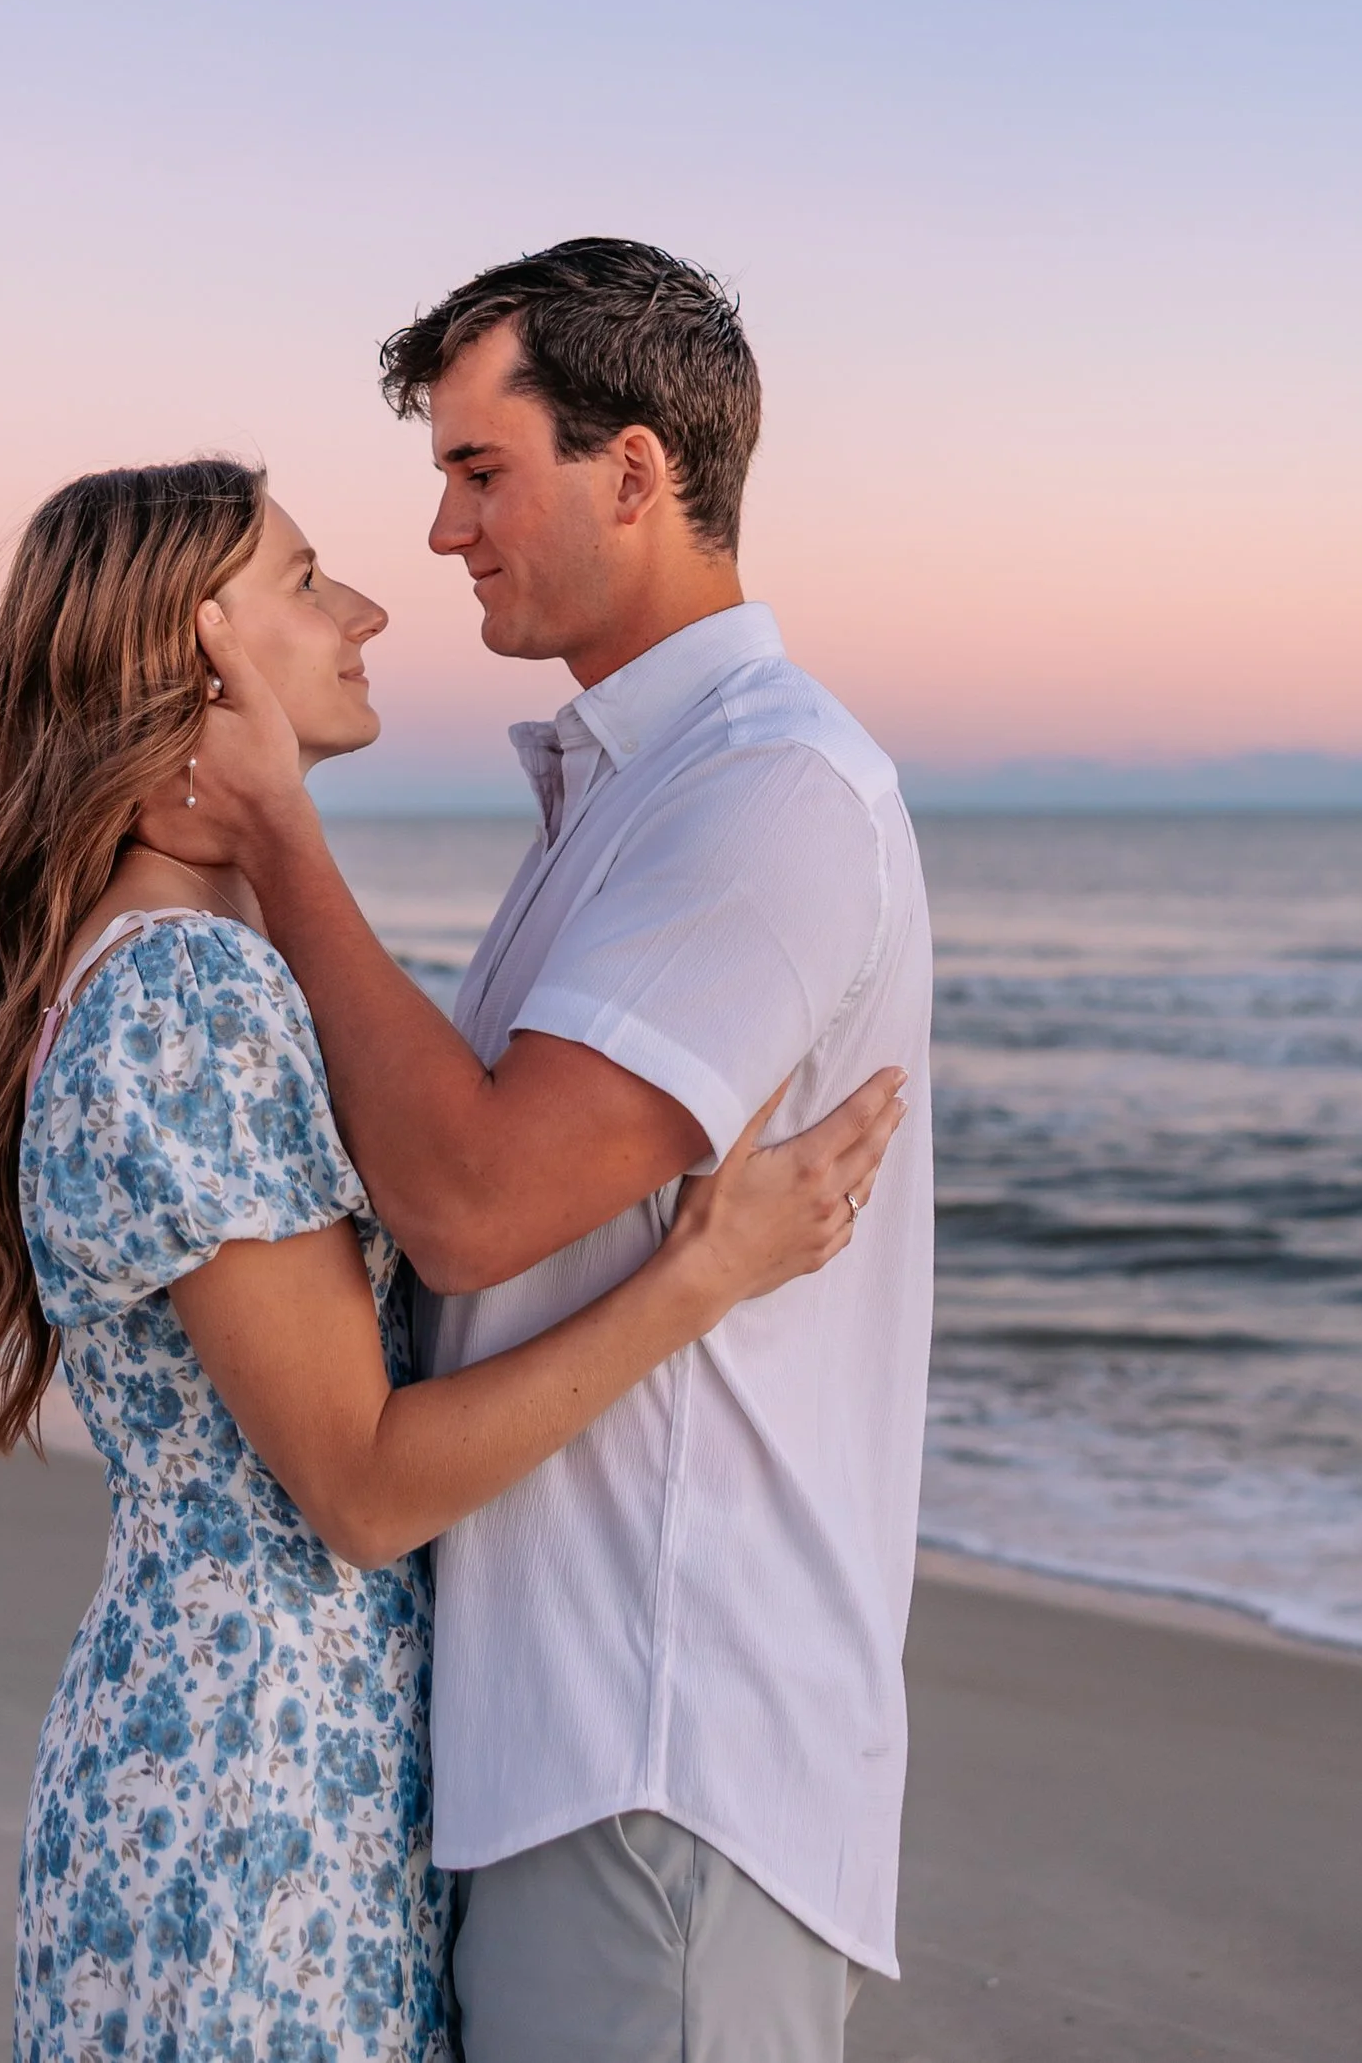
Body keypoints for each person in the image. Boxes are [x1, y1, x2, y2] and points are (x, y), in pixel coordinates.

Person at [0, 453, 907, 2063]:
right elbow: (364, 1486)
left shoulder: (157, 968)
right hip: (259, 1790)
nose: (371, 604)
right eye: (309, 579)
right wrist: (699, 1277)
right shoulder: (188, 995)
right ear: (199, 653)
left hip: (224, 1743)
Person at [146, 241, 936, 2063]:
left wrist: (280, 840)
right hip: (563, 1741)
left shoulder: (768, 792)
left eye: (479, 470)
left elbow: (473, 1205)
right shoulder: (641, 792)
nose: (438, 535)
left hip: (660, 1746)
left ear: (637, 471)